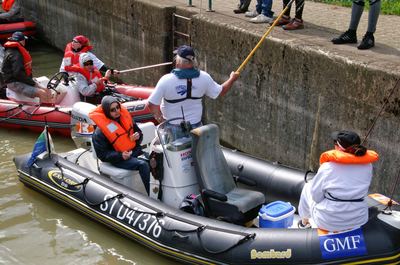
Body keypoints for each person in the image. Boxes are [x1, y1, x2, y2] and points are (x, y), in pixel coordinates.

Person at [298, 130, 379, 231]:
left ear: (339, 147)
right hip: (358, 219)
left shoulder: (328, 167)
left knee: (308, 186)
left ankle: (304, 222)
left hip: (328, 222)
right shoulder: (368, 165)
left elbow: (316, 196)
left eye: (335, 143)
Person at [147, 45, 239, 128]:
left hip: (172, 126)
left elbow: (151, 104)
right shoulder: (204, 77)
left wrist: (161, 120)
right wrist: (232, 79)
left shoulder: (166, 80)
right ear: (194, 61)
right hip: (196, 128)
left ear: (178, 61)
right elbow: (221, 91)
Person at [90, 96, 150, 194]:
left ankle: (161, 193)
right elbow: (102, 155)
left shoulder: (125, 118)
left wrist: (138, 136)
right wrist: (120, 155)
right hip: (119, 159)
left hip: (135, 152)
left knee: (155, 159)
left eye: (118, 107)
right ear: (106, 111)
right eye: (112, 110)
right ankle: (153, 198)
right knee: (143, 165)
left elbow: (139, 133)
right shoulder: (99, 132)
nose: (117, 111)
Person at [1, 31, 53, 103]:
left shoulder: (12, 51)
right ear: (22, 41)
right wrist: (33, 83)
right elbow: (18, 73)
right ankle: (46, 113)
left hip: (20, 80)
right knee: (42, 93)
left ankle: (51, 107)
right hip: (14, 82)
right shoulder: (16, 54)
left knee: (47, 90)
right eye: (24, 40)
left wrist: (32, 82)